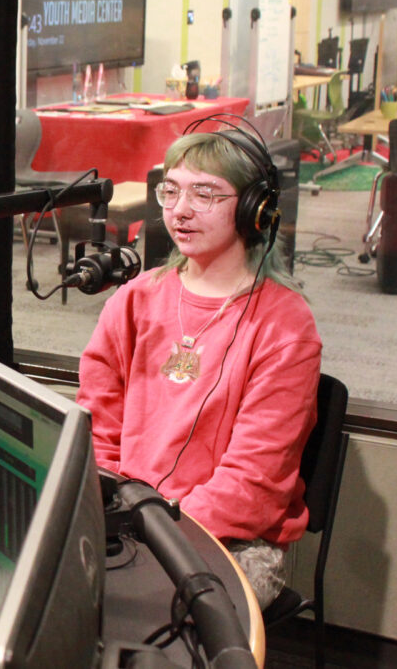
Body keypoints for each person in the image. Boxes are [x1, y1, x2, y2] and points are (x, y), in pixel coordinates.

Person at [76, 128, 322, 609]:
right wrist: (106, 510)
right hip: (129, 514)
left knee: (144, 614)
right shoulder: (136, 299)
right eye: (171, 191)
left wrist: (156, 533)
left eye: (204, 194)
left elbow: (253, 482)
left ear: (255, 209)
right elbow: (96, 426)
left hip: (233, 537)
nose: (180, 210)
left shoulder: (286, 326)